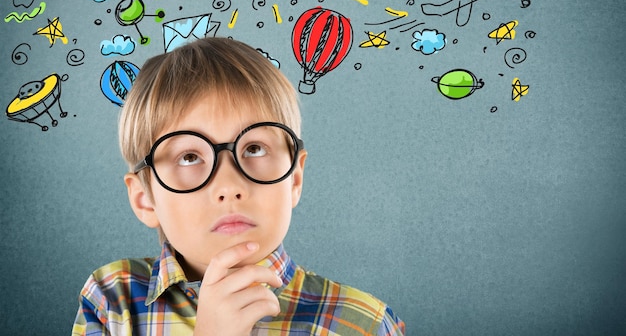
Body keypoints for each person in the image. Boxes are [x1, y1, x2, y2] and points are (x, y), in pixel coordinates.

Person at [72, 37, 405, 335]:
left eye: (254, 149)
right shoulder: (113, 300)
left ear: (295, 178)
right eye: (189, 157)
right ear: (145, 199)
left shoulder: (364, 324)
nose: (229, 186)